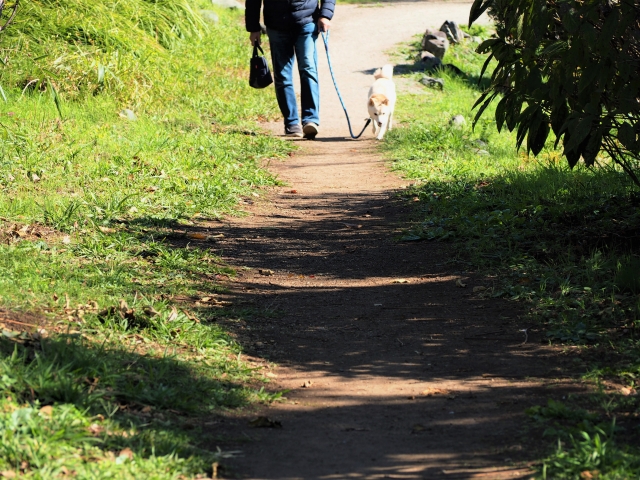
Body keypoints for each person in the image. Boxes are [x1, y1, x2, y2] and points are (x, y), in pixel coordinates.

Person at [245, 0, 335, 139]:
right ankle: (292, 123)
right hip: (276, 25)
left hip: (307, 21)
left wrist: (325, 15)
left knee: (308, 68)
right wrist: (253, 28)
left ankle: (310, 120)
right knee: (282, 74)